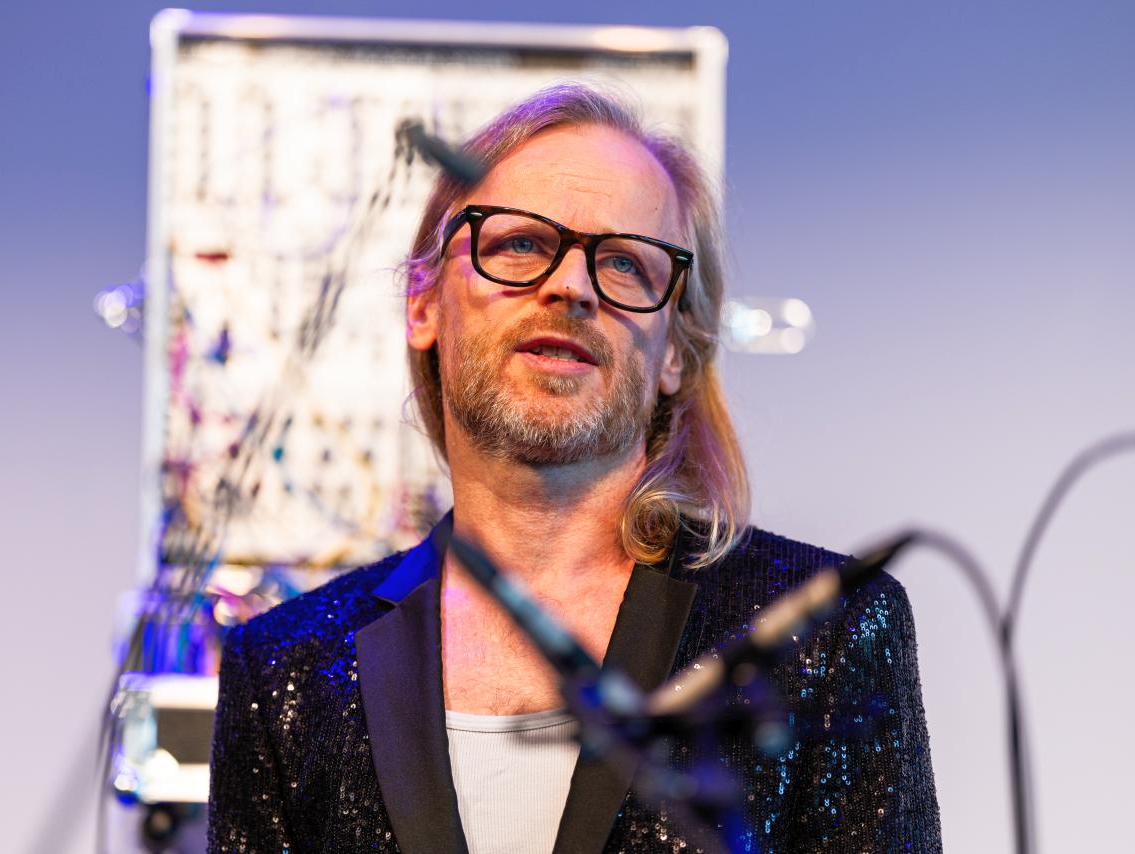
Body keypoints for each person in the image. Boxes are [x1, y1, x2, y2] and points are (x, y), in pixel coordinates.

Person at [207, 84, 941, 853]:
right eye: (520, 244)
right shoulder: (283, 668)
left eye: (624, 262)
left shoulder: (825, 636)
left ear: (675, 351)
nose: (570, 286)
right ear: (422, 304)